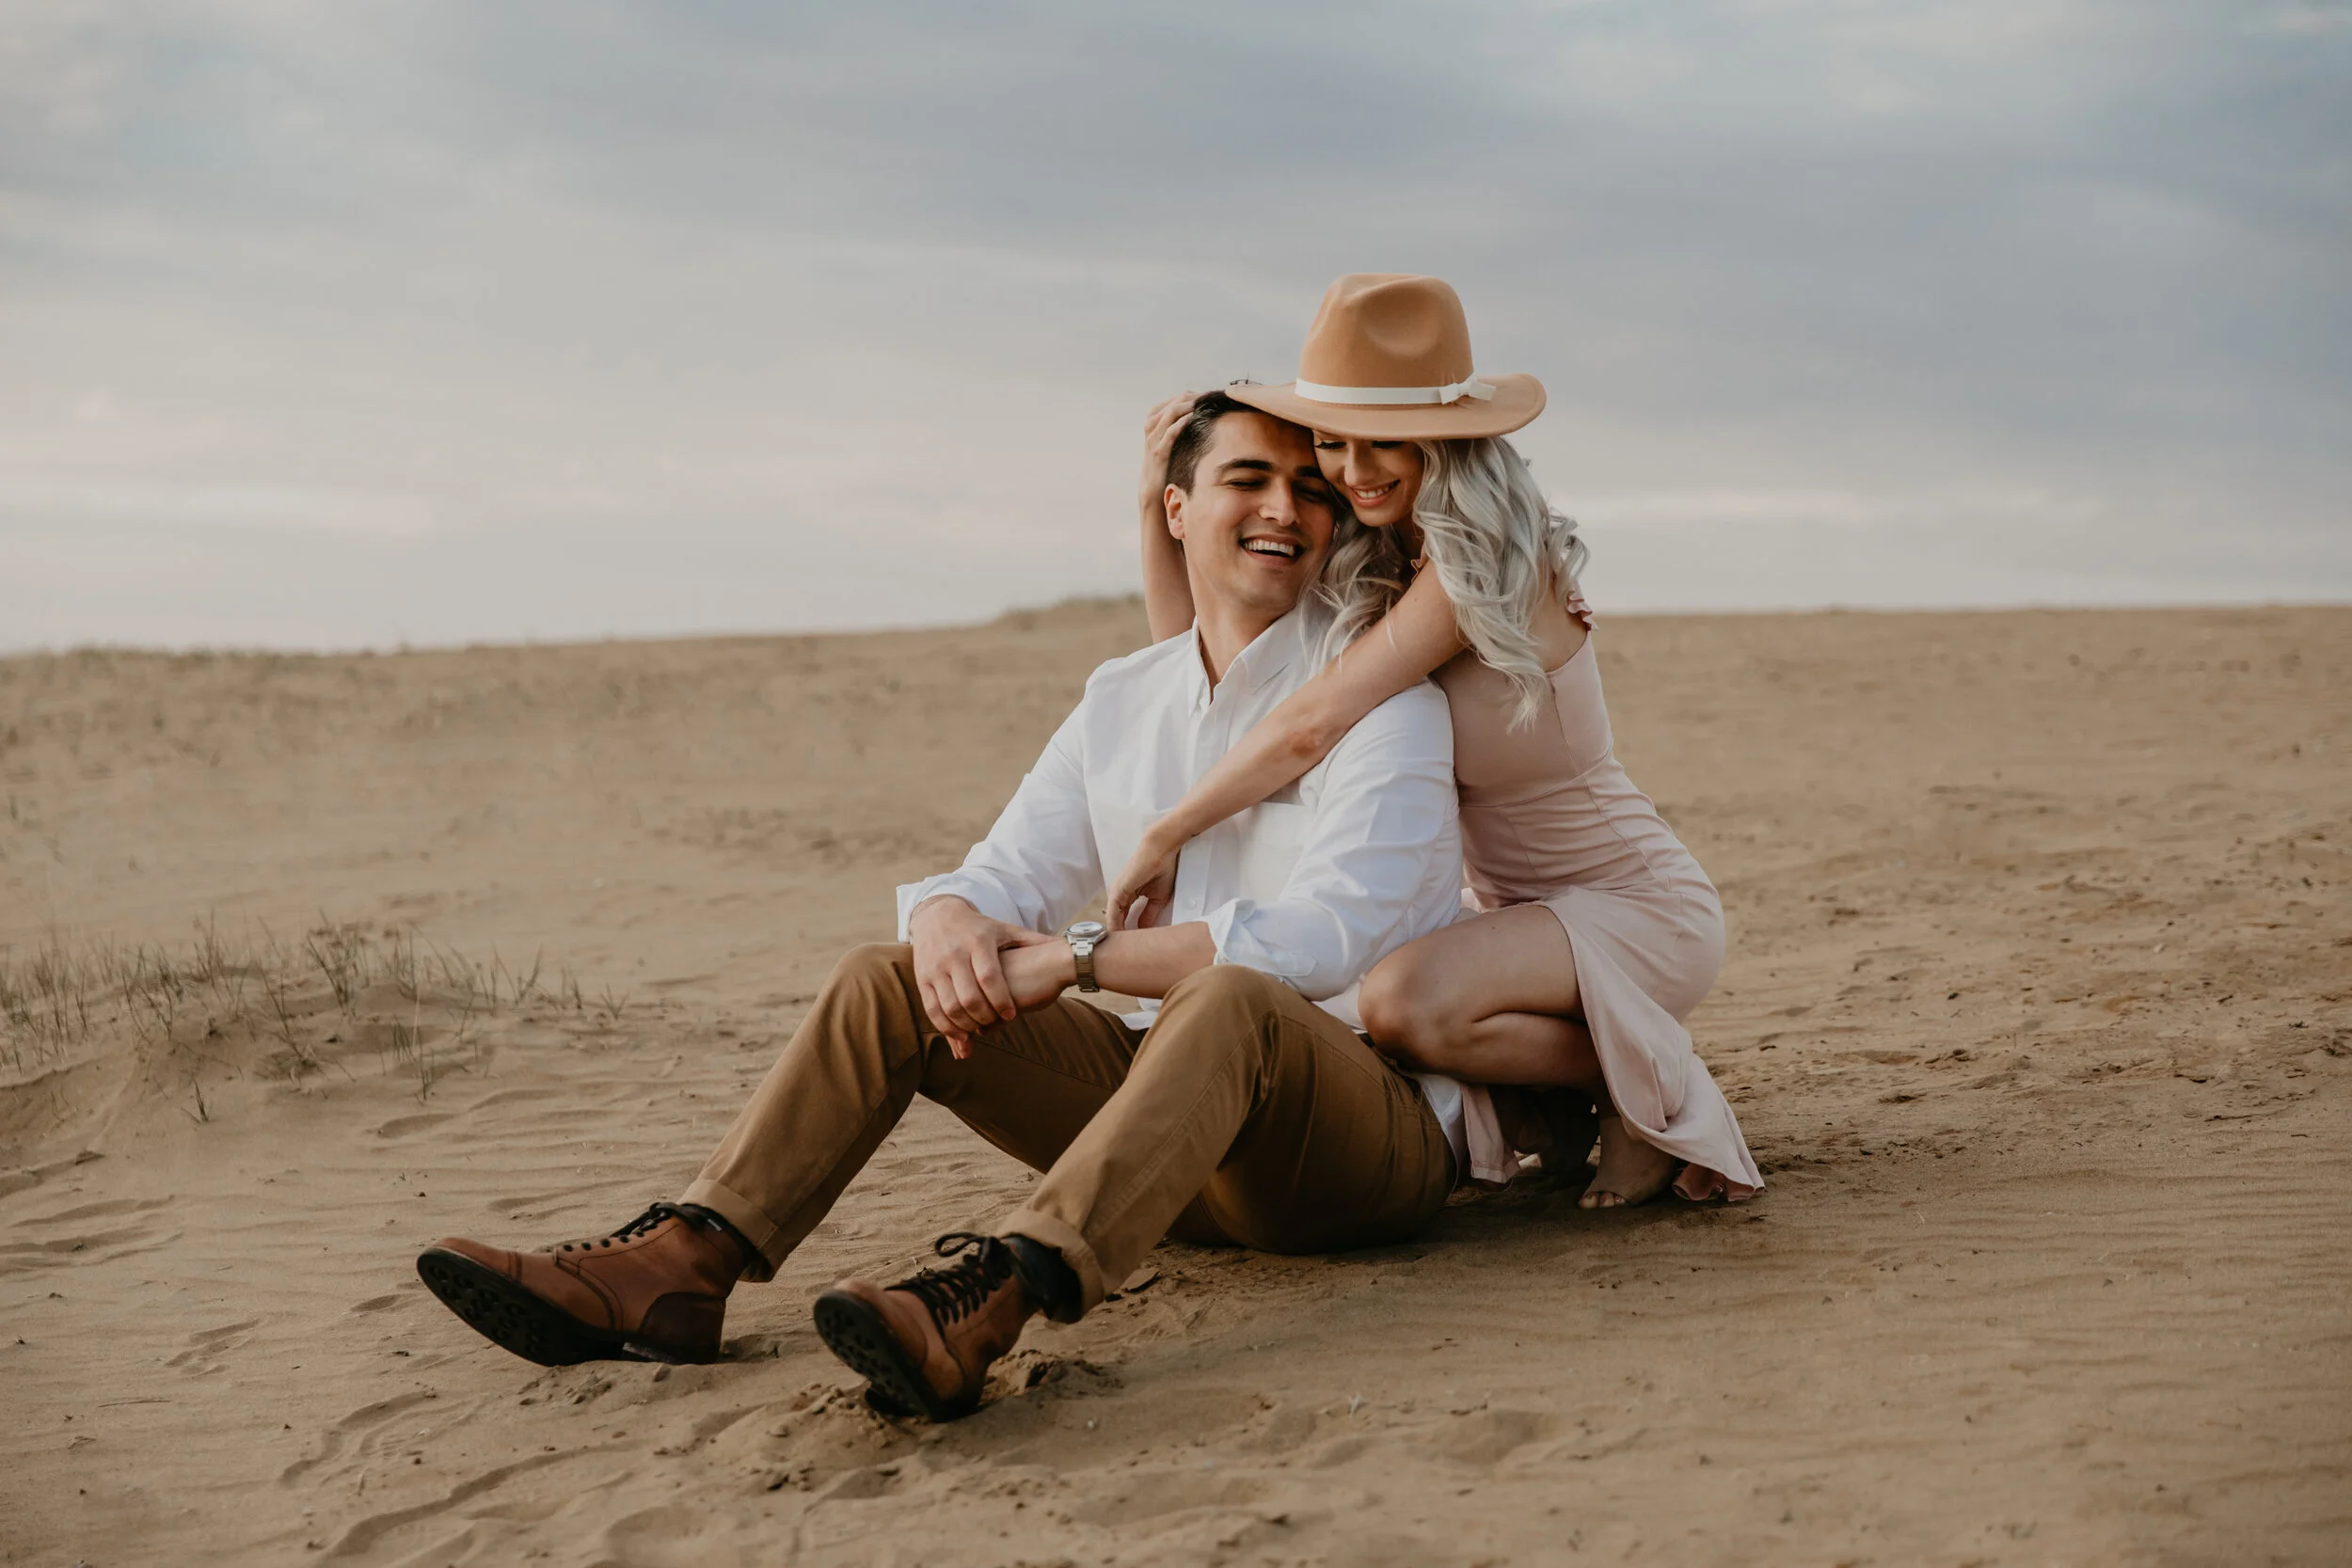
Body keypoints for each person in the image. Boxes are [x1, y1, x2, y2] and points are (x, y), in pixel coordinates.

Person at [416, 395, 1476, 1422]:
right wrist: (948, 921)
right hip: (1167, 1146)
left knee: (1230, 996)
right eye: (1248, 479)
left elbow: (1341, 934)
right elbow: (1002, 869)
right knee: (889, 977)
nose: (1285, 510)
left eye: (1310, 488)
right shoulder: (1124, 698)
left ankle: (987, 1306)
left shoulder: (1385, 698)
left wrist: (1081, 959)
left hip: (1350, 1140)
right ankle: (682, 1264)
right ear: (1174, 509)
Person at [1110, 273, 1761, 1206]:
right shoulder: (1378, 556)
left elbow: (1306, 726)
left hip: (1628, 902)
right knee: (1350, 994)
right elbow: (1204, 665)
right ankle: (1578, 1097)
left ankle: (1639, 1090)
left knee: (1400, 1000)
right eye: (1330, 440)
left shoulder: (1481, 564)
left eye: (1381, 441)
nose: (1349, 466)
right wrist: (1152, 508)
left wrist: (1165, 829)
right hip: (1501, 912)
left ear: (1446, 440)